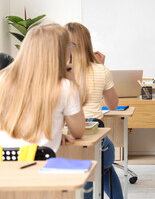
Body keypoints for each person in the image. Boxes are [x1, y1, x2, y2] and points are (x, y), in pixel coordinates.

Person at [0, 24, 85, 153]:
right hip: (39, 164)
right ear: (60, 51)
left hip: (4, 163)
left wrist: (54, 132)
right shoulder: (65, 87)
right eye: (70, 46)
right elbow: (78, 132)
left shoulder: (3, 79)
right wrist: (72, 80)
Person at [65, 22, 122, 199]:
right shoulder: (101, 70)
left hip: (67, 142)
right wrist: (102, 67)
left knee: (88, 165)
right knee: (100, 166)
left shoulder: (59, 72)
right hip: (99, 143)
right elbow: (113, 105)